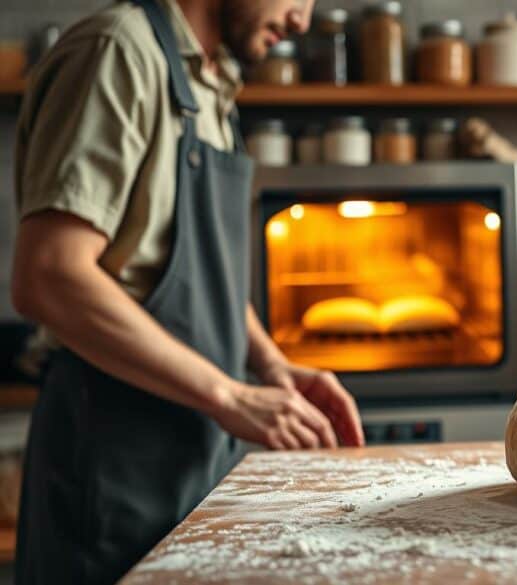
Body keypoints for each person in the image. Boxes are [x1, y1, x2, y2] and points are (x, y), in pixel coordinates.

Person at [10, 1, 364, 583]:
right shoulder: (118, 53)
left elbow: (184, 268)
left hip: (194, 453)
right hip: (110, 465)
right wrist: (229, 395)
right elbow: (50, 275)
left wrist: (271, 365)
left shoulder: (207, 81)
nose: (302, 21)